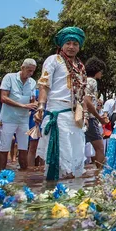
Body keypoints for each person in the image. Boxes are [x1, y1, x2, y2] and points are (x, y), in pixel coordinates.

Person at [34, 27, 87, 180]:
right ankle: (55, 193)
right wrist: (41, 107)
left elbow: (82, 92)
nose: (71, 47)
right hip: (58, 113)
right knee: (60, 157)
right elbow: (44, 84)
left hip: (75, 116)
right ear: (62, 45)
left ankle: (71, 195)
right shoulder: (53, 60)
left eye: (75, 44)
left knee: (75, 155)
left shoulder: (80, 66)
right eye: (68, 43)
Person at [0, 59, 37, 171]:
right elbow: (3, 97)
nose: (30, 74)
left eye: (33, 71)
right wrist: (23, 106)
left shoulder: (32, 82)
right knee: (4, 148)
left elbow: (33, 100)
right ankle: (0, 175)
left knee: (24, 148)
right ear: (22, 68)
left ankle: (24, 177)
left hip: (24, 119)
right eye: (29, 70)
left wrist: (36, 105)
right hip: (8, 118)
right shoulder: (9, 77)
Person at [83, 57, 109, 169]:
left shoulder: (83, 80)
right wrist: (99, 117)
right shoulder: (92, 81)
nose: (102, 74)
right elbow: (87, 100)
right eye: (101, 71)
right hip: (90, 118)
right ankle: (99, 175)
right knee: (100, 147)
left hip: (83, 118)